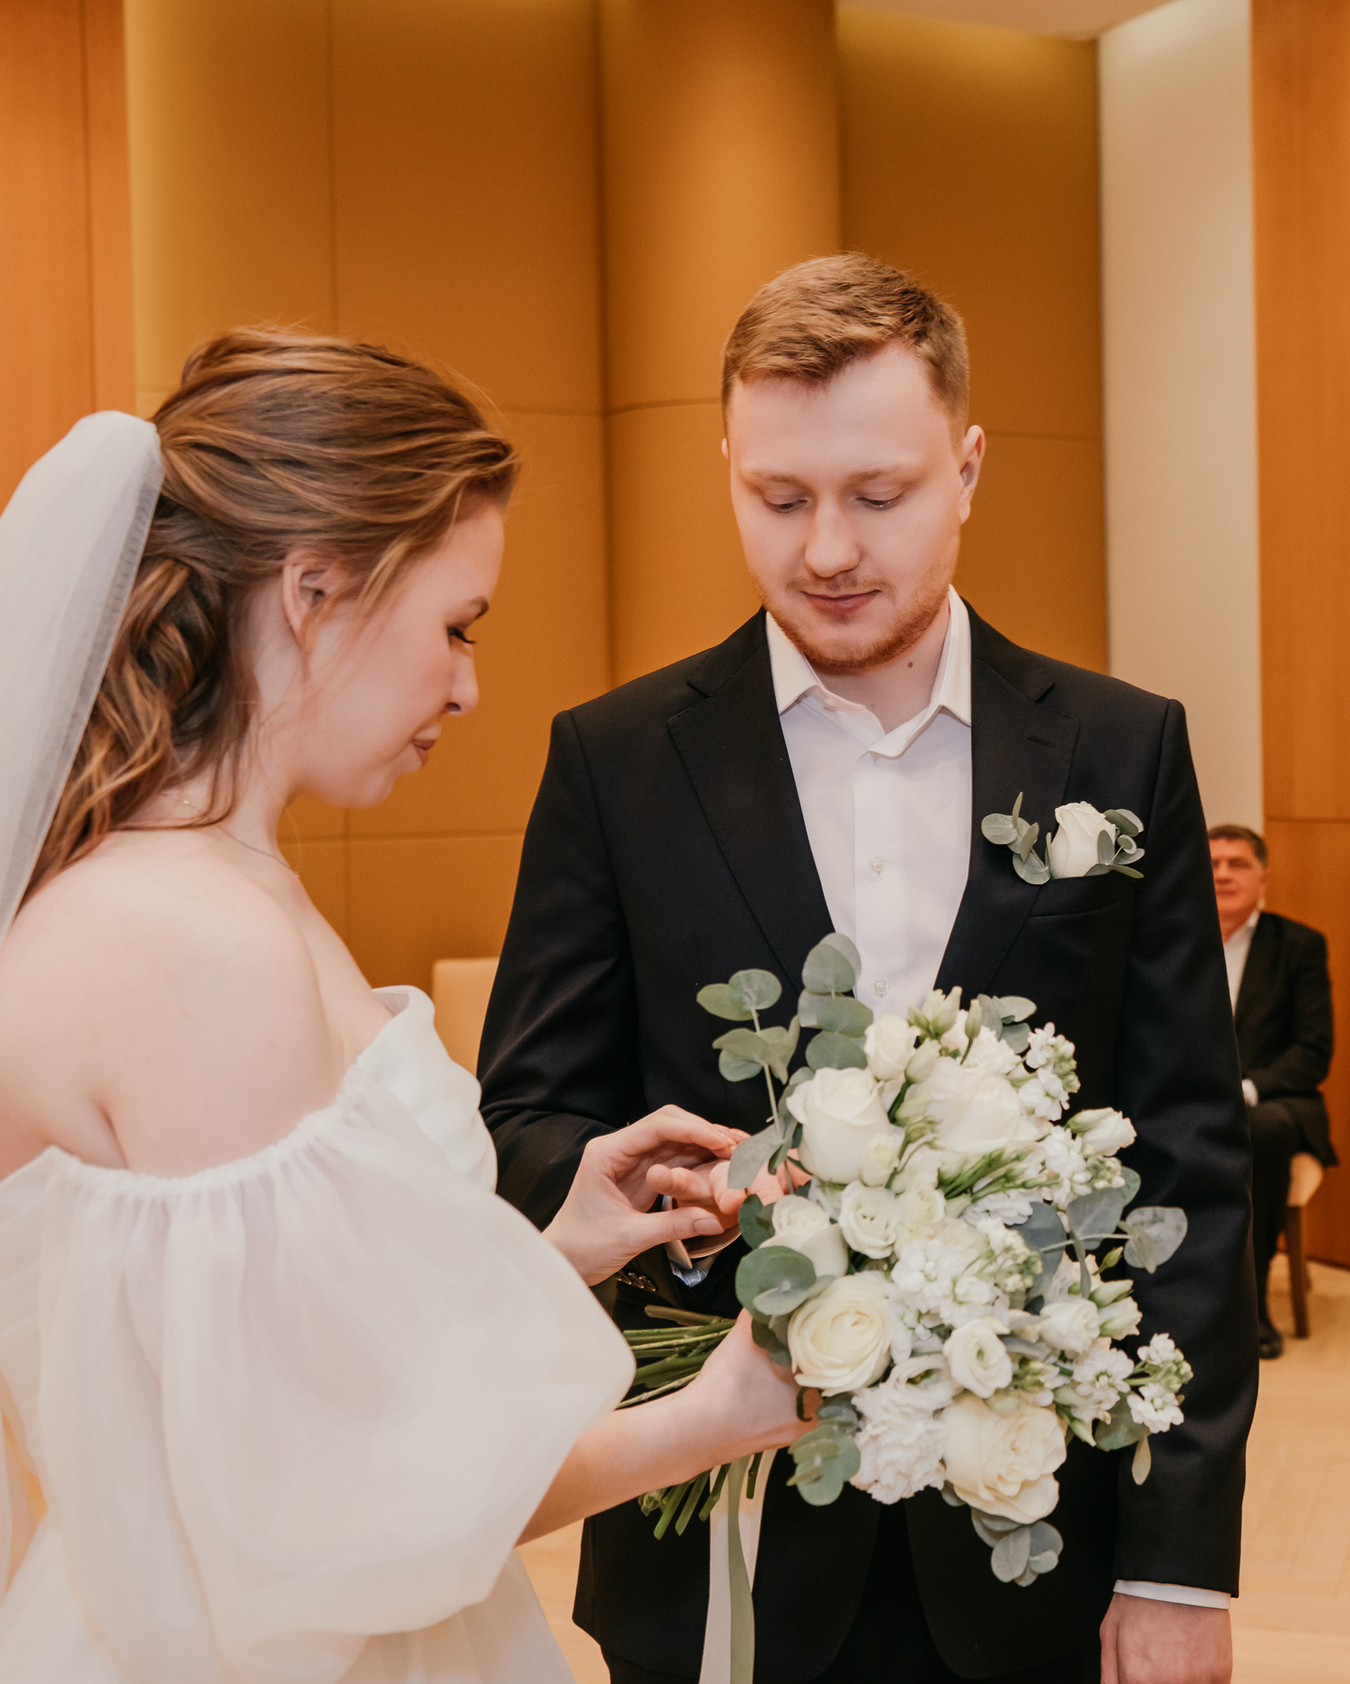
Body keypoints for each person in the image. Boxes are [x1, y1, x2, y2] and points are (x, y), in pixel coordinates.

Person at [0, 331, 808, 1684]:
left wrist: (552, 1251)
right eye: (455, 623)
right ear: (316, 588)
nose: (467, 683)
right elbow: (310, 1523)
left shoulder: (213, 890)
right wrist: (725, 1408)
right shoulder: (191, 940)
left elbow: (277, 1373)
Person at [479, 254, 1255, 1684]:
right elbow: (531, 1118)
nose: (827, 547)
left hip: (1039, 1533)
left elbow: (1192, 1164)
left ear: (967, 467)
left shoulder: (1117, 747)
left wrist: (1179, 1560)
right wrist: (686, 1207)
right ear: (727, 469)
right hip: (719, 1533)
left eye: (879, 494)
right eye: (778, 497)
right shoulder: (617, 761)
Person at [1206, 827, 1337, 1359]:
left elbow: (1313, 1051)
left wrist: (1248, 1089)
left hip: (1272, 1101)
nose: (1222, 874)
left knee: (1261, 1130)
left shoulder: (1299, 946)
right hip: (1190, 1096)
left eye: (1238, 863)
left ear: (1263, 876)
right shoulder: (1171, 943)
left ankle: (1250, 1307)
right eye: (1212, 863)